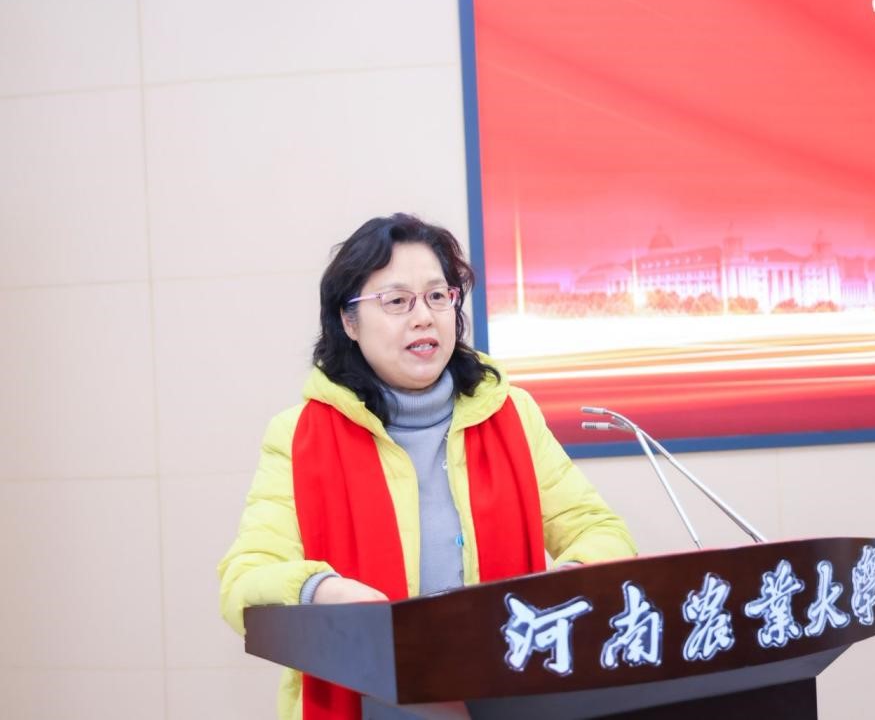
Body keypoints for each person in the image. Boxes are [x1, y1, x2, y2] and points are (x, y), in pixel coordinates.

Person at [218, 213, 637, 720]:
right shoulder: (299, 435)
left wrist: (561, 589)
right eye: (397, 301)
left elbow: (601, 531)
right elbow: (245, 582)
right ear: (349, 321)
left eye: (438, 296)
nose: (423, 317)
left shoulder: (511, 415)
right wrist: (322, 591)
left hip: (507, 695)